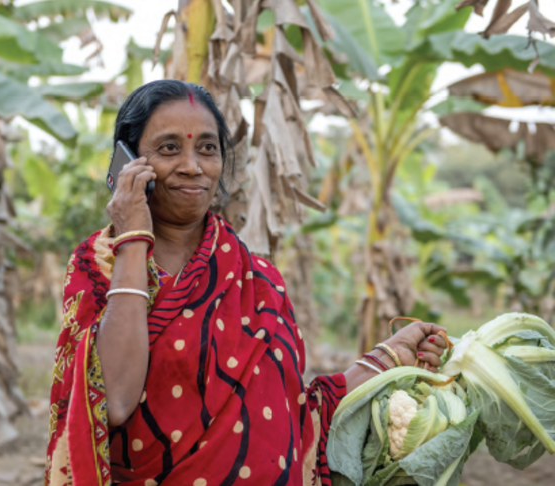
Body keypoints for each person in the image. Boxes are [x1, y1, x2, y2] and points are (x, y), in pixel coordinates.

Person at [44, 80, 448, 486]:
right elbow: (113, 400)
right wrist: (132, 239)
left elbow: (290, 413)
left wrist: (388, 358)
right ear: (128, 160)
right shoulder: (98, 266)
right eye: (169, 148)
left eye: (207, 148)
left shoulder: (258, 279)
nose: (192, 166)